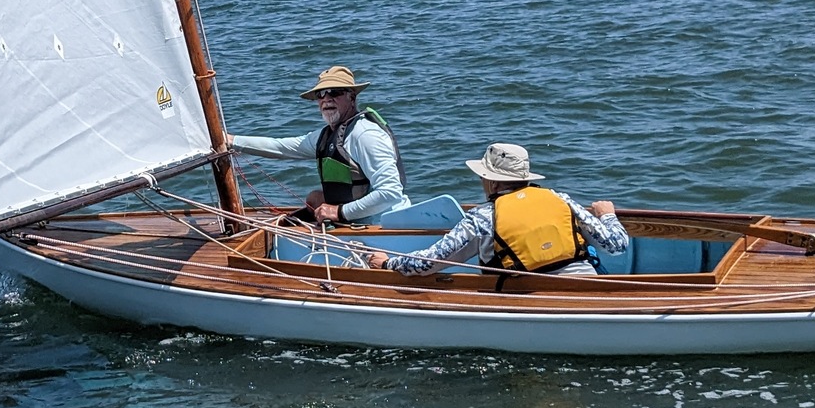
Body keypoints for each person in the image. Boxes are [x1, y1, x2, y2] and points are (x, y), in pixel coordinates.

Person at [366, 142, 628, 277]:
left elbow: (430, 263)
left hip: (527, 297)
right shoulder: (560, 199)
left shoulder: (482, 217)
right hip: (586, 287)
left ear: (490, 181)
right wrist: (607, 214)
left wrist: (389, 262)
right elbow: (617, 245)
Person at [229, 65, 410, 224]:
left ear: (352, 98)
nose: (326, 99)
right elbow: (280, 147)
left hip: (383, 227)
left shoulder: (365, 135)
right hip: (353, 222)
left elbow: (390, 193)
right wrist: (232, 141)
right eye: (321, 94)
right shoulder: (326, 135)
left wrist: (338, 212)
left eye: (335, 92)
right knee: (315, 198)